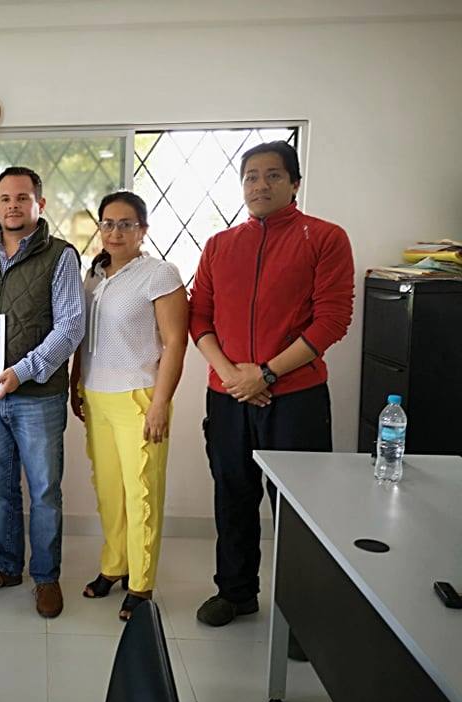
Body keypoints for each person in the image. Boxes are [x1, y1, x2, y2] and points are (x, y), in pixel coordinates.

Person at [189, 141, 354, 646]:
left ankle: (304, 614)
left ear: (294, 183)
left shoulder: (325, 238)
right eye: (251, 176)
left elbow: (332, 319)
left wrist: (266, 374)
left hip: (296, 396)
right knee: (232, 493)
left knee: (298, 509)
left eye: (273, 175)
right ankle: (236, 592)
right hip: (228, 396)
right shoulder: (219, 245)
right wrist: (234, 376)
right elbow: (200, 317)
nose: (260, 185)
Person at [0, 166, 85, 619]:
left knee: (45, 491)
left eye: (22, 198)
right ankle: (6, 567)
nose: (12, 206)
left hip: (38, 397)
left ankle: (46, 577)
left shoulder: (61, 255)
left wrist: (22, 372)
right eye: (5, 198)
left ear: (39, 204)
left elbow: (70, 328)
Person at [69, 190, 188, 621]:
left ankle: (141, 584)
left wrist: (160, 404)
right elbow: (82, 338)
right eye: (108, 223)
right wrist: (75, 384)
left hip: (139, 398)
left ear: (143, 230)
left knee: (142, 495)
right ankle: (114, 565)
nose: (115, 232)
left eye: (126, 224)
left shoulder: (159, 274)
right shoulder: (93, 277)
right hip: (97, 397)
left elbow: (175, 343)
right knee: (110, 492)